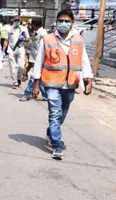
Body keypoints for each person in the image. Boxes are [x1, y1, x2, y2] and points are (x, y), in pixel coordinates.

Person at [32, 9, 93, 160]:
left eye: (67, 21)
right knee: (55, 112)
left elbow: (84, 60)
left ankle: (50, 132)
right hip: (52, 83)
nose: (64, 24)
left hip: (71, 83)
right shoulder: (47, 39)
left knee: (63, 113)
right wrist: (35, 83)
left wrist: (88, 79)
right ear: (56, 22)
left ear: (72, 23)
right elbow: (38, 62)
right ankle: (56, 143)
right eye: (61, 21)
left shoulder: (78, 39)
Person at [21, 17, 48, 102]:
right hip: (35, 58)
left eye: (31, 24)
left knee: (33, 77)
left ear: (34, 25)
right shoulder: (36, 33)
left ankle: (27, 94)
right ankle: (45, 95)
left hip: (40, 59)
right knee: (39, 78)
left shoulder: (43, 33)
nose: (30, 26)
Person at [7, 16, 30, 89]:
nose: (17, 21)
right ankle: (14, 82)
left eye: (18, 20)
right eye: (15, 20)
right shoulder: (9, 29)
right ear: (13, 21)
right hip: (11, 48)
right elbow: (6, 40)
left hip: (21, 48)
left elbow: (28, 39)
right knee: (12, 66)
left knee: (21, 66)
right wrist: (3, 50)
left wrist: (24, 39)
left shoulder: (24, 29)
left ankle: (19, 77)